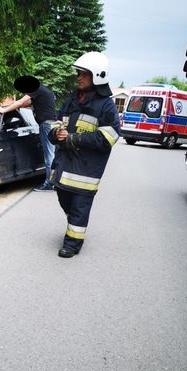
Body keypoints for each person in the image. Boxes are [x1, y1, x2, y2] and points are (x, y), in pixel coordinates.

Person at [47, 51, 121, 258]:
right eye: (78, 73)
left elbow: (109, 137)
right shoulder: (72, 99)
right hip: (65, 167)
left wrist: (72, 138)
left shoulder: (106, 105)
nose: (78, 77)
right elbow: (57, 121)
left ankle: (72, 245)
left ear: (97, 76)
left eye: (84, 74)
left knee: (80, 207)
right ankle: (75, 223)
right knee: (65, 201)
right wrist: (56, 132)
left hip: (87, 171)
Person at [0, 75, 56, 191]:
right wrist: (8, 106)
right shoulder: (44, 91)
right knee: (52, 154)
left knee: (49, 156)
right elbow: (25, 104)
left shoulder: (36, 90)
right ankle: (56, 182)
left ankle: (49, 184)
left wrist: (3, 110)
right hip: (52, 124)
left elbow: (19, 103)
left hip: (46, 125)